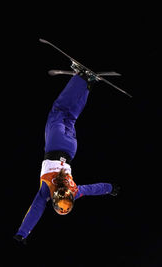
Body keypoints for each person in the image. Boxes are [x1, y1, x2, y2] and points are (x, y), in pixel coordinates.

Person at [13, 69, 120, 245]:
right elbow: (36, 210)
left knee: (71, 117)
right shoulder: (46, 191)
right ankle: (81, 77)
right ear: (55, 200)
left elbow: (93, 189)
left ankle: (88, 84)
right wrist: (22, 233)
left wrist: (110, 188)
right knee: (58, 110)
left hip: (71, 149)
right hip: (55, 144)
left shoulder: (75, 191)